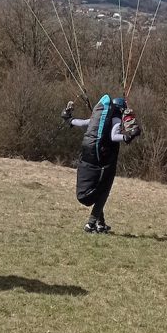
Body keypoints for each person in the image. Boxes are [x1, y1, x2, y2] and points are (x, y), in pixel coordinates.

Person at [62, 93, 140, 233]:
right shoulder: (115, 116)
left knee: (100, 189)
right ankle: (91, 224)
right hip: (103, 160)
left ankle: (100, 223)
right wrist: (128, 136)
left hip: (89, 156)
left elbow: (84, 123)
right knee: (104, 189)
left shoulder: (99, 119)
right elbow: (113, 136)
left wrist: (70, 120)